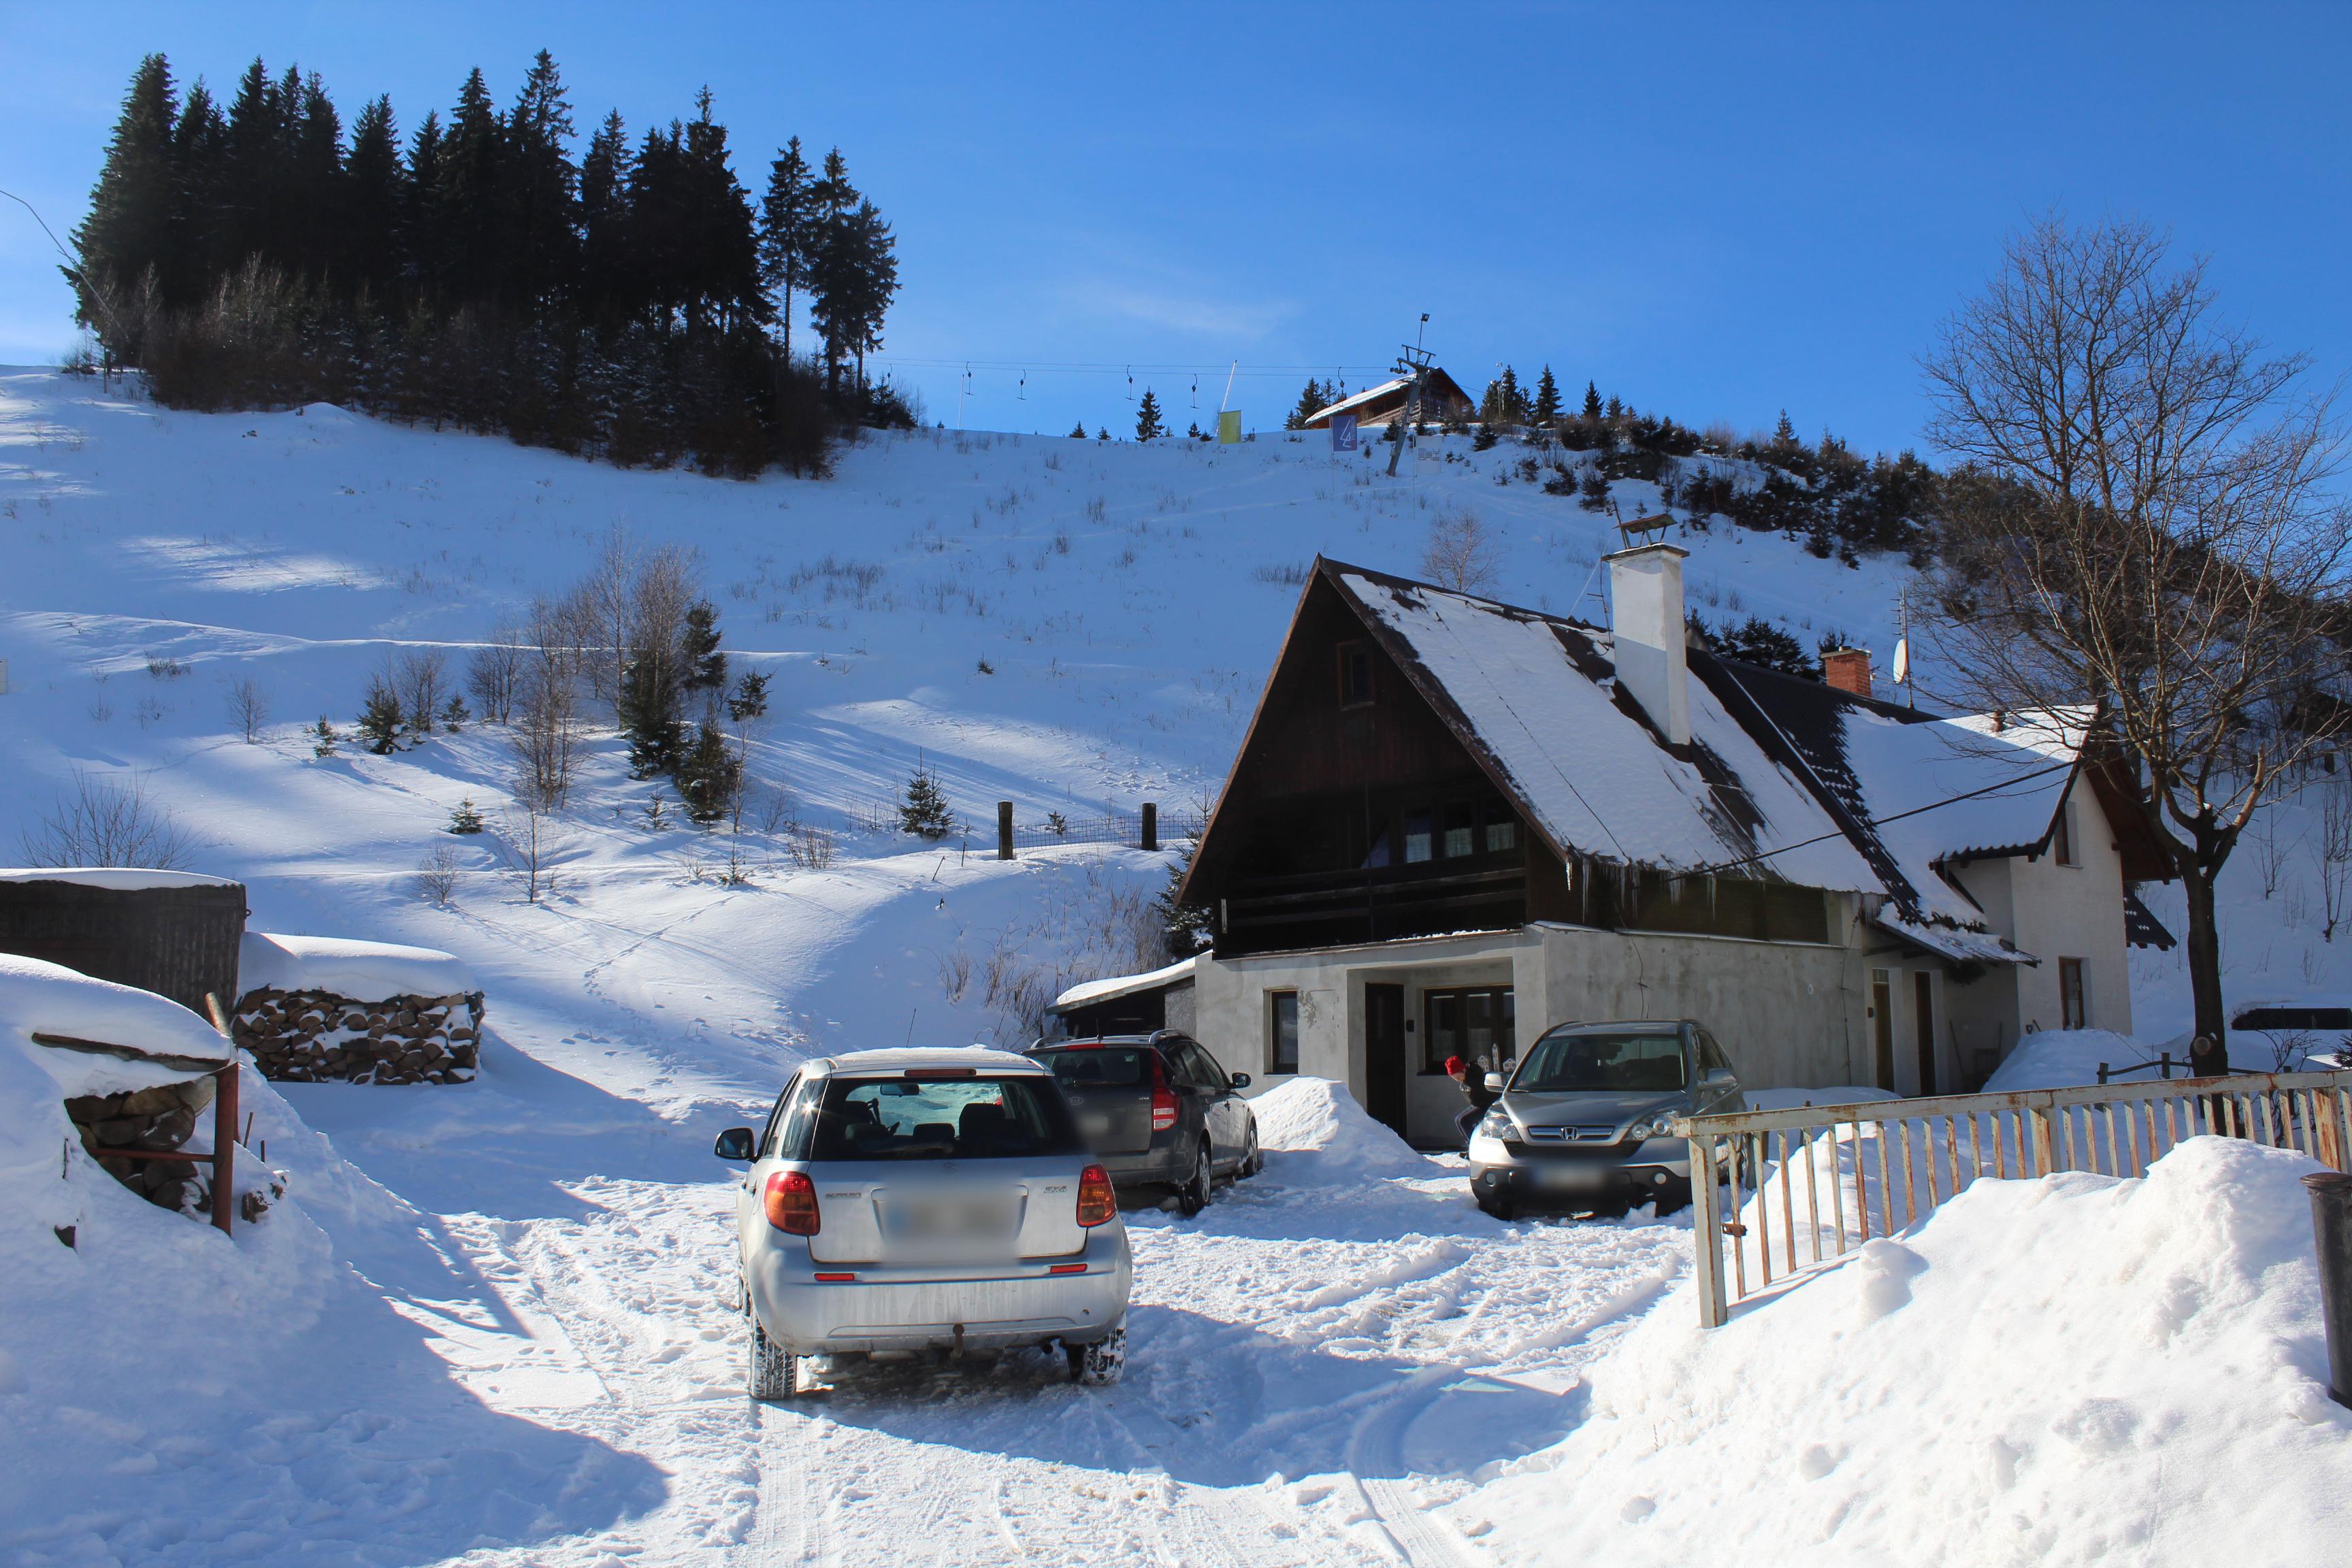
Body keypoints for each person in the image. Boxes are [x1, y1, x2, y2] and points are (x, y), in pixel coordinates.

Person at [1446, 1054, 1499, 1146]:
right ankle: (1469, 1145)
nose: (1459, 1080)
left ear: (1464, 1070)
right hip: (1476, 1104)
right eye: (1455, 1079)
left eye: (1459, 1077)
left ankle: (1475, 1146)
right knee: (1458, 1120)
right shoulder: (1465, 1079)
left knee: (1464, 1120)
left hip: (1486, 1105)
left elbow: (1484, 1093)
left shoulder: (1475, 1077)